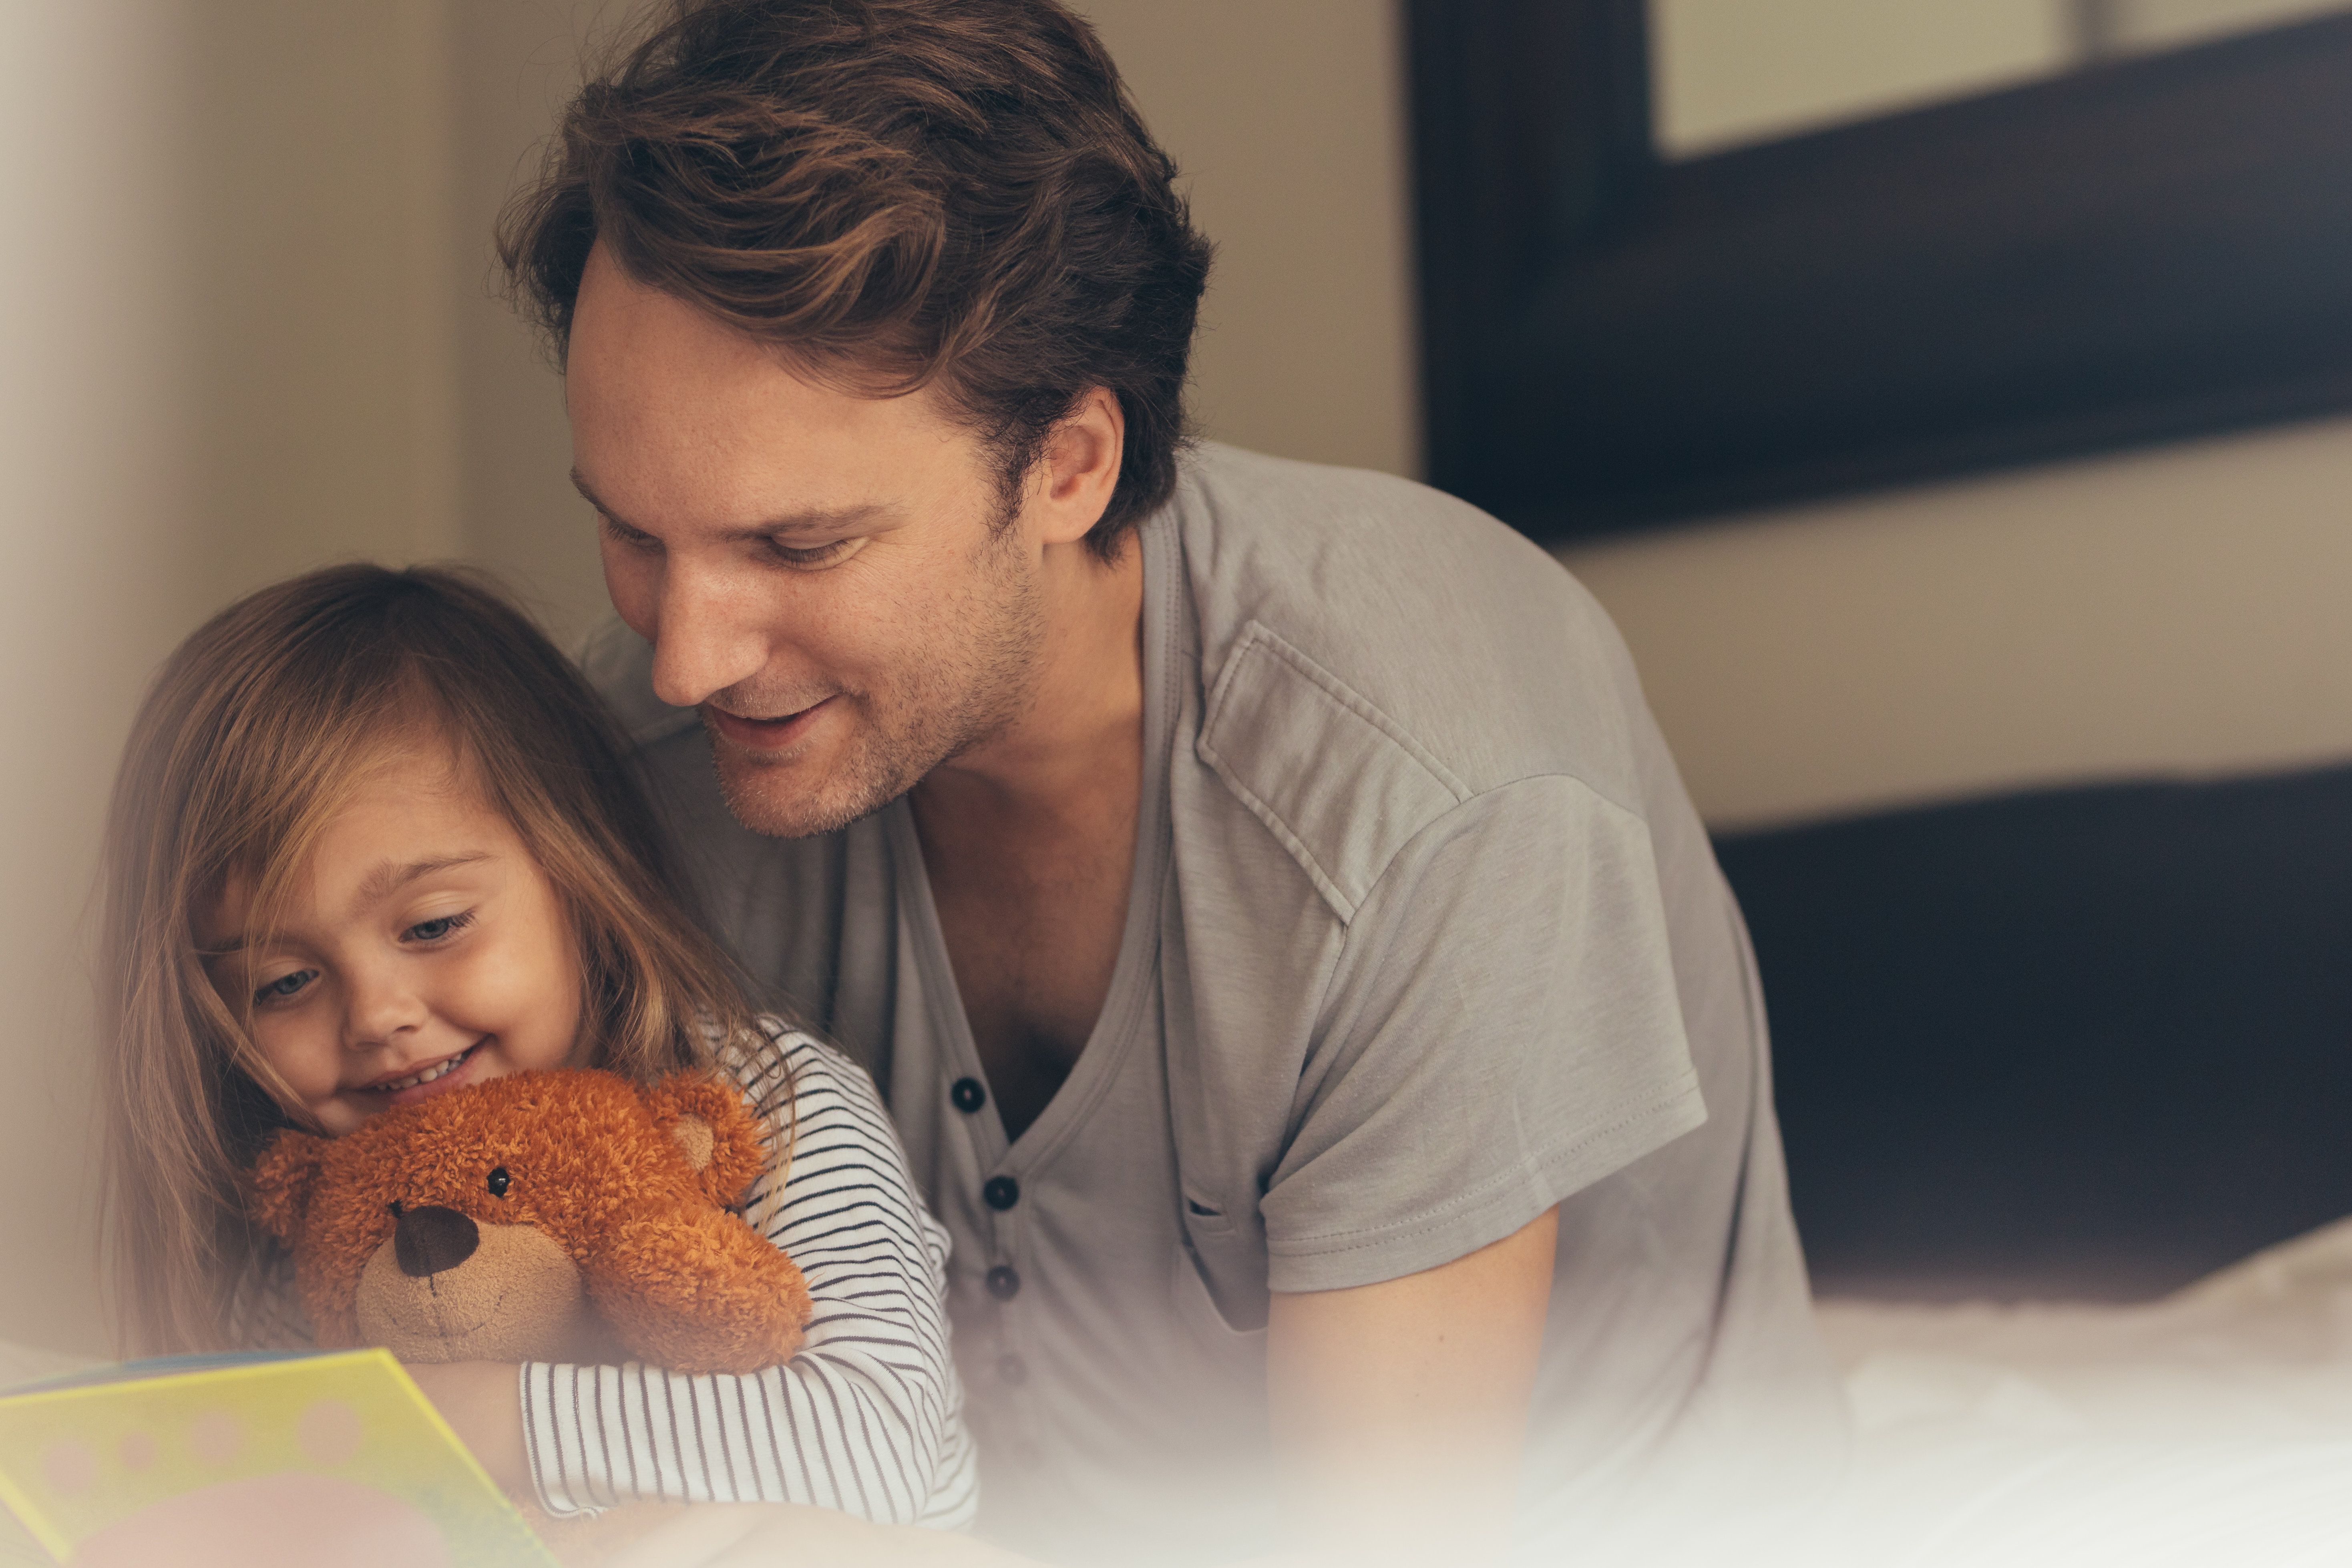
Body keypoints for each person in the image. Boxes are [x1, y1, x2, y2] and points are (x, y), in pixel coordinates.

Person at [504, 1, 1848, 1562]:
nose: (684, 656)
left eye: (796, 545)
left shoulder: (1423, 787)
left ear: (1071, 465)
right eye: (634, 533)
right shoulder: (656, 762)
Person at [93, 564, 981, 1534]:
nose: (377, 1013)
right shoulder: (312, 1218)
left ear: (576, 867)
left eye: (432, 925)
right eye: (283, 982)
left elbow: (874, 1451)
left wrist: (469, 1414)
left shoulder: (762, 1108)